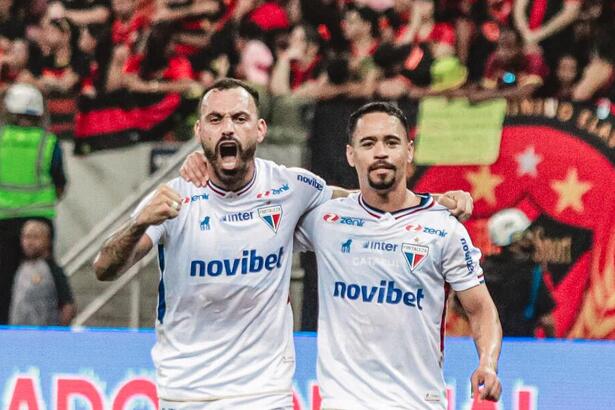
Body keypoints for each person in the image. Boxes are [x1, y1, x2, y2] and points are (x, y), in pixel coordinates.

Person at [94, 78, 473, 409]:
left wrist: (433, 202)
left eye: (239, 119)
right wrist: (137, 222)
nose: (228, 129)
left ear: (260, 129)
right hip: (185, 391)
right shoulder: (174, 198)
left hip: (265, 393)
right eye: (216, 120)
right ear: (199, 132)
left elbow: (356, 202)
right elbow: (105, 269)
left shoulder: (292, 188)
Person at [293, 102, 503, 409]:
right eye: (368, 143)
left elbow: (480, 309)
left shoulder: (444, 227)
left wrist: (488, 363)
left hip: (417, 401)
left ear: (409, 151)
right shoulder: (326, 220)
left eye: (391, 142)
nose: (380, 152)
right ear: (351, 155)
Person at [0, 82, 67, 324]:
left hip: (3, 220)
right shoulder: (48, 142)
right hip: (39, 220)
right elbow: (60, 182)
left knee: (3, 282)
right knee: (48, 276)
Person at [484, 208, 555, 337]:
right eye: (526, 233)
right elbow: (547, 321)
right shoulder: (531, 272)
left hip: (488, 346)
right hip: (523, 348)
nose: (531, 237)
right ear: (516, 238)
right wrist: (553, 348)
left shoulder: (482, 271)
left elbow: (461, 306)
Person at [9, 219, 76, 326]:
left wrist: (57, 334)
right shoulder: (20, 267)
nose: (29, 242)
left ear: (48, 240)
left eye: (35, 237)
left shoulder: (53, 270)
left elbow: (68, 305)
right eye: (26, 237)